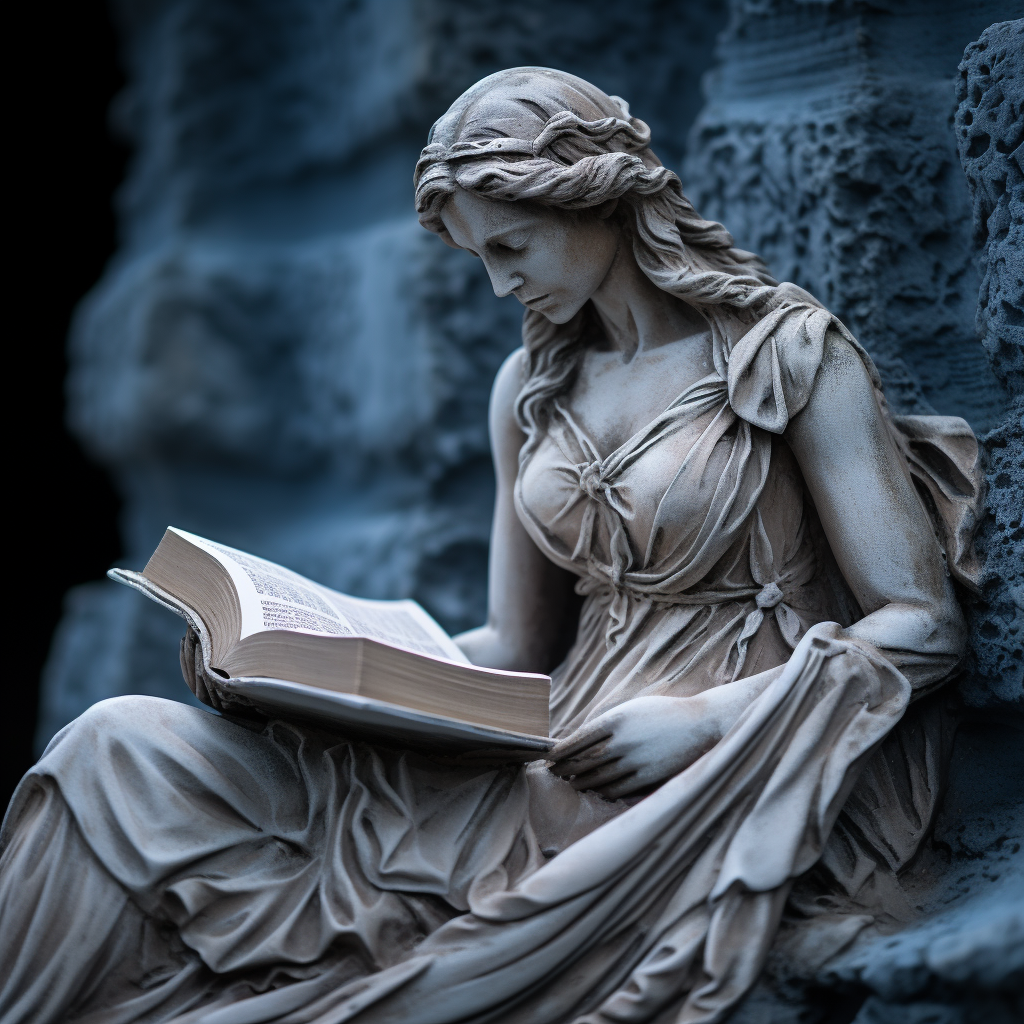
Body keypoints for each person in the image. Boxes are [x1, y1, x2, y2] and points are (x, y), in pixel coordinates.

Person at [0, 67, 981, 1024]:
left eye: (512, 246)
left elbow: (922, 623)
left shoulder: (787, 356)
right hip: (544, 752)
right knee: (115, 747)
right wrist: (301, 681)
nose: (498, 280)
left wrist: (710, 722)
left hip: (706, 767)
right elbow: (516, 645)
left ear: (596, 204)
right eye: (479, 257)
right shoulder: (529, 388)